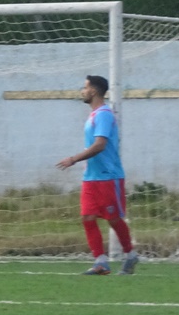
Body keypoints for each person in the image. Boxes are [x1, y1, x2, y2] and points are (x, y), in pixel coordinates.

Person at [56, 74, 138, 276]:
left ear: (93, 91)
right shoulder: (93, 115)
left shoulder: (103, 114)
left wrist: (73, 159)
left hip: (108, 176)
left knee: (113, 218)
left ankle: (130, 254)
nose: (82, 91)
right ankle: (100, 261)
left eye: (85, 88)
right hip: (91, 177)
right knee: (87, 217)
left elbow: (100, 145)